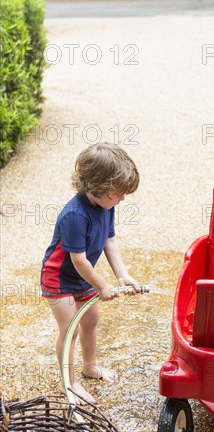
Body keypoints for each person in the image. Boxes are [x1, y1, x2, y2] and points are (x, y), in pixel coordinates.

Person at [40, 143, 141, 405]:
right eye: (118, 193)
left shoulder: (107, 205)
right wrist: (102, 285)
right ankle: (70, 384)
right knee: (70, 328)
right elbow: (79, 260)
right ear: (98, 187)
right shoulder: (74, 215)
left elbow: (110, 241)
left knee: (91, 318)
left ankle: (90, 366)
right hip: (59, 277)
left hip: (81, 276)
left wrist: (121, 275)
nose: (122, 198)